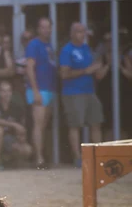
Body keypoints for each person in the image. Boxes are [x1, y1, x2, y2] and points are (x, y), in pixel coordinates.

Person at [59, 22, 104, 168]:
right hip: (73, 93)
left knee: (96, 122)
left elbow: (95, 71)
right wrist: (87, 70)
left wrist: (99, 67)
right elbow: (64, 74)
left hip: (89, 91)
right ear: (72, 33)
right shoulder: (67, 50)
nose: (82, 34)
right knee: (75, 125)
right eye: (79, 31)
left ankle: (98, 155)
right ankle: (77, 158)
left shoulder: (87, 48)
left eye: (84, 31)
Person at [26, 17, 57, 170]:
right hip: (39, 90)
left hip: (49, 89)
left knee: (43, 126)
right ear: (38, 29)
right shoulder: (34, 44)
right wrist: (35, 90)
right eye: (43, 27)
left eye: (48, 27)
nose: (46, 30)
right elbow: (29, 67)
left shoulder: (49, 45)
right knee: (38, 125)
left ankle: (41, 156)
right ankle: (39, 159)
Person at [0, 81, 32, 170]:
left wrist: (21, 137)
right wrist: (13, 124)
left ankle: (10, 161)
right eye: (3, 91)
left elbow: (22, 127)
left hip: (10, 138)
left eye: (9, 91)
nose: (6, 94)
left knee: (27, 150)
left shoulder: (17, 107)